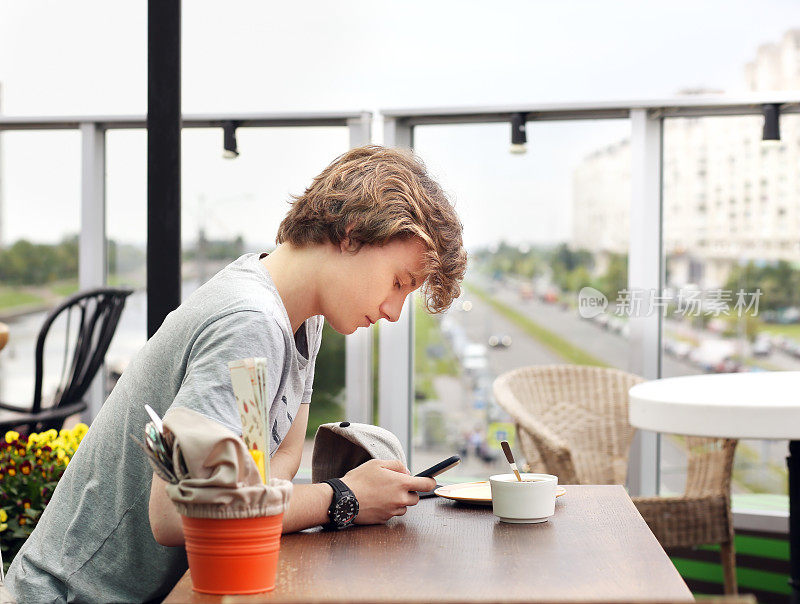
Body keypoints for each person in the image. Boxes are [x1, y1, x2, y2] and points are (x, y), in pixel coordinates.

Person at [5, 145, 467, 603]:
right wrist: (343, 497)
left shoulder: (303, 317)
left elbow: (277, 458)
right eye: (399, 282)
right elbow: (176, 516)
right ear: (351, 235)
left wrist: (255, 497)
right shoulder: (250, 320)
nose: (393, 311)